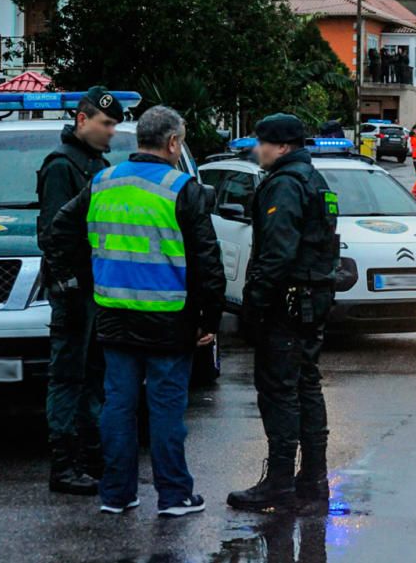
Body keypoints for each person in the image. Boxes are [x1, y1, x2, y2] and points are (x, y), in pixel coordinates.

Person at [45, 106, 225, 517]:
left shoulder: (103, 181)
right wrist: (208, 321)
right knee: (164, 411)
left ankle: (117, 494)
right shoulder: (182, 188)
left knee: (117, 407)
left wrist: (83, 282)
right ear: (174, 143)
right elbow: (208, 263)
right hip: (168, 320)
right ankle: (175, 495)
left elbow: (59, 229)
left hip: (112, 315)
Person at [227, 113, 339, 515]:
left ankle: (279, 483)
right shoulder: (313, 180)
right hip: (310, 298)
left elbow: (276, 254)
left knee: (280, 391)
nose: (258, 149)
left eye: (263, 142)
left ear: (283, 146)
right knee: (306, 387)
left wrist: (252, 306)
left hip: (287, 303)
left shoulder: (285, 185)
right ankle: (312, 482)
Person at [37, 86, 122, 495]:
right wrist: (67, 285)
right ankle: (65, 464)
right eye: (105, 123)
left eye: (114, 125)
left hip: (95, 285)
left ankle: (90, 459)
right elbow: (54, 233)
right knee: (68, 377)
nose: (111, 131)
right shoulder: (61, 165)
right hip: (74, 289)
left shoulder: (94, 163)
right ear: (82, 120)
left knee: (93, 376)